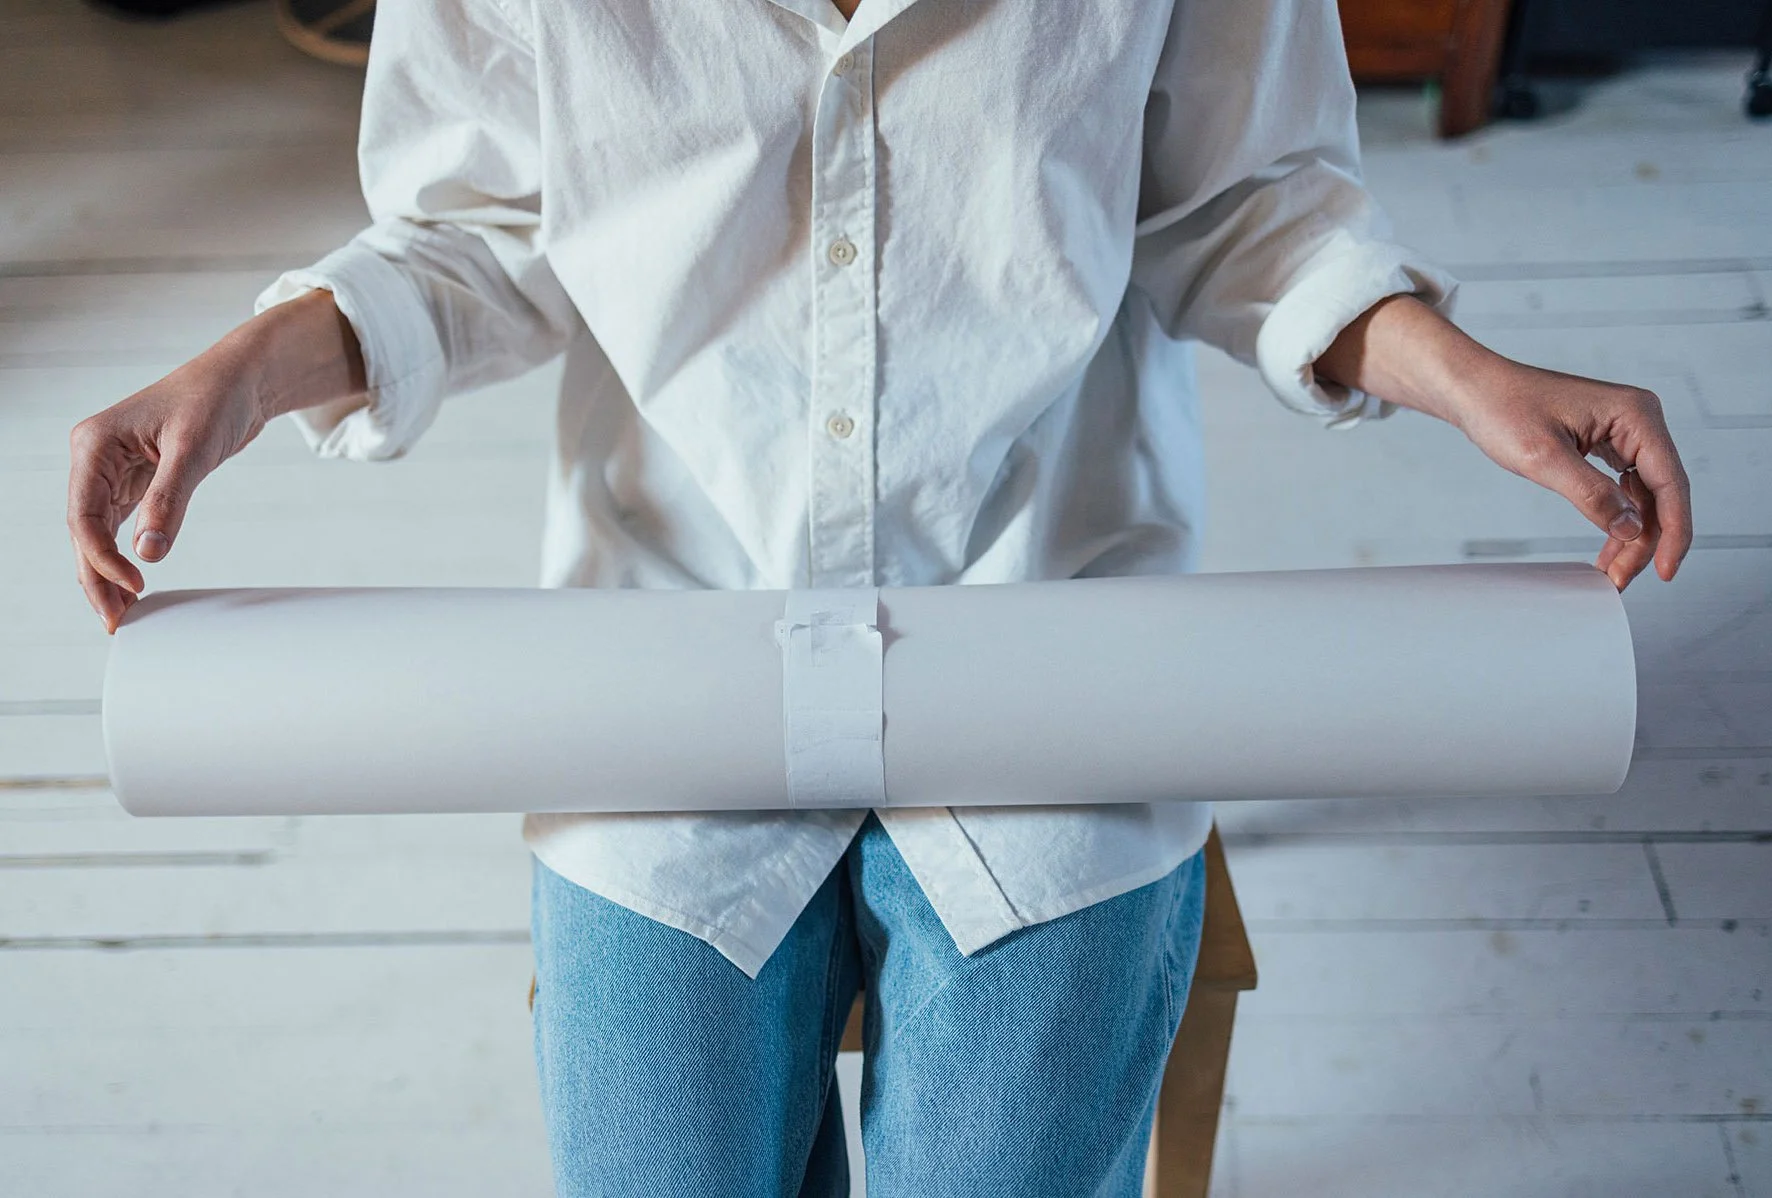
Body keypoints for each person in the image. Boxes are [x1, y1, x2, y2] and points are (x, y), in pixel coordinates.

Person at [66, 1, 1693, 1194]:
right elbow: (482, 228)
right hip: (669, 662)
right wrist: (253, 362)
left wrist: (1456, 369)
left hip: (1057, 659)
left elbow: (1241, 201)